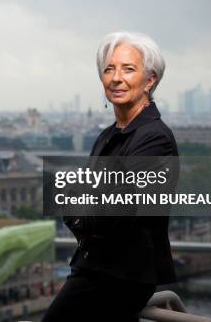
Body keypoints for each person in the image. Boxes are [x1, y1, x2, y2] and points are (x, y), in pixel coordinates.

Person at [43, 32, 178, 321]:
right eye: (108, 69)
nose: (116, 78)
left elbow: (112, 213)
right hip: (97, 268)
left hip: (120, 277)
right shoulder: (109, 137)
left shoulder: (154, 139)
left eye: (128, 69)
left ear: (150, 80)